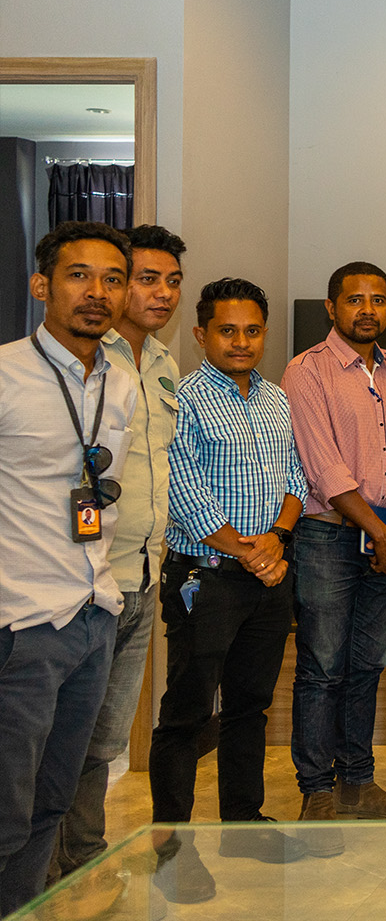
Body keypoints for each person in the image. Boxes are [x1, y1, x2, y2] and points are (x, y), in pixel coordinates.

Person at [150, 277, 309, 886]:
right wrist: (252, 552)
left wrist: (278, 540)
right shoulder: (184, 400)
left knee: (250, 706)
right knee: (187, 713)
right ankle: (172, 847)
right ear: (200, 334)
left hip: (268, 578)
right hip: (206, 578)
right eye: (227, 330)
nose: (241, 341)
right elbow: (183, 493)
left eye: (252, 331)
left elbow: (295, 477)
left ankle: (243, 825)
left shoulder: (276, 400)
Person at [0, 222, 134, 915]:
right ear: (41, 285)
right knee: (6, 814)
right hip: (21, 624)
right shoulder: (5, 374)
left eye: (113, 279)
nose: (97, 292)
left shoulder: (123, 382)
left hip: (93, 617)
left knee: (53, 803)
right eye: (79, 275)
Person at [47, 226, 181, 901]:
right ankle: (46, 871)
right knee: (64, 734)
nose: (162, 294)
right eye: (147, 279)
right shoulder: (88, 362)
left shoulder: (163, 361)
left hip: (145, 574)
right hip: (86, 582)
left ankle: (84, 855)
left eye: (171, 281)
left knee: (103, 736)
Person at [282, 261, 386, 845]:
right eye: (355, 300)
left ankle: (358, 784)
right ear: (331, 307)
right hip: (328, 537)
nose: (368, 310)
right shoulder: (306, 370)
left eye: (379, 299)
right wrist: (380, 531)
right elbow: (322, 467)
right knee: (322, 667)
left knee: (367, 664)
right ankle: (317, 790)